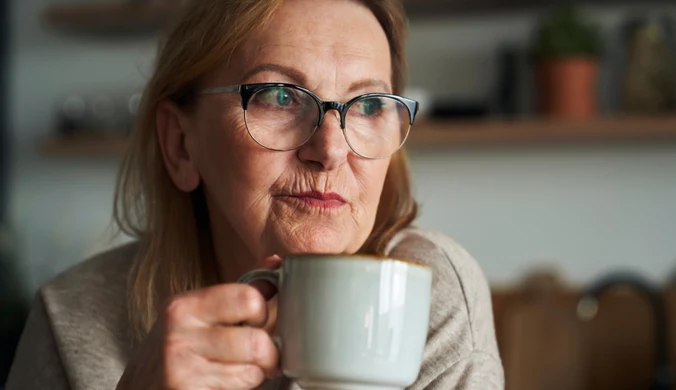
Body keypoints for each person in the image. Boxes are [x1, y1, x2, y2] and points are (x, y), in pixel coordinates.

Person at [6, 0, 504, 389]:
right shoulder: (72, 319)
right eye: (280, 96)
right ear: (181, 145)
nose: (329, 150)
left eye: (369, 104)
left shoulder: (427, 295)